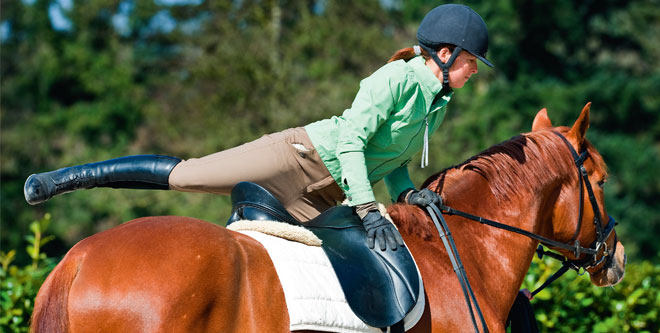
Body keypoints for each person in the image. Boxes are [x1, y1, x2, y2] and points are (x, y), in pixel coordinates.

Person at [23, 4, 493, 252]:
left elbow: (393, 162)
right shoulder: (394, 78)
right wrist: (370, 210)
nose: (475, 71)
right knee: (188, 176)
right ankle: (67, 178)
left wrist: (408, 193)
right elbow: (352, 141)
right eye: (472, 61)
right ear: (446, 53)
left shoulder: (438, 102)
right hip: (295, 158)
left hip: (322, 202)